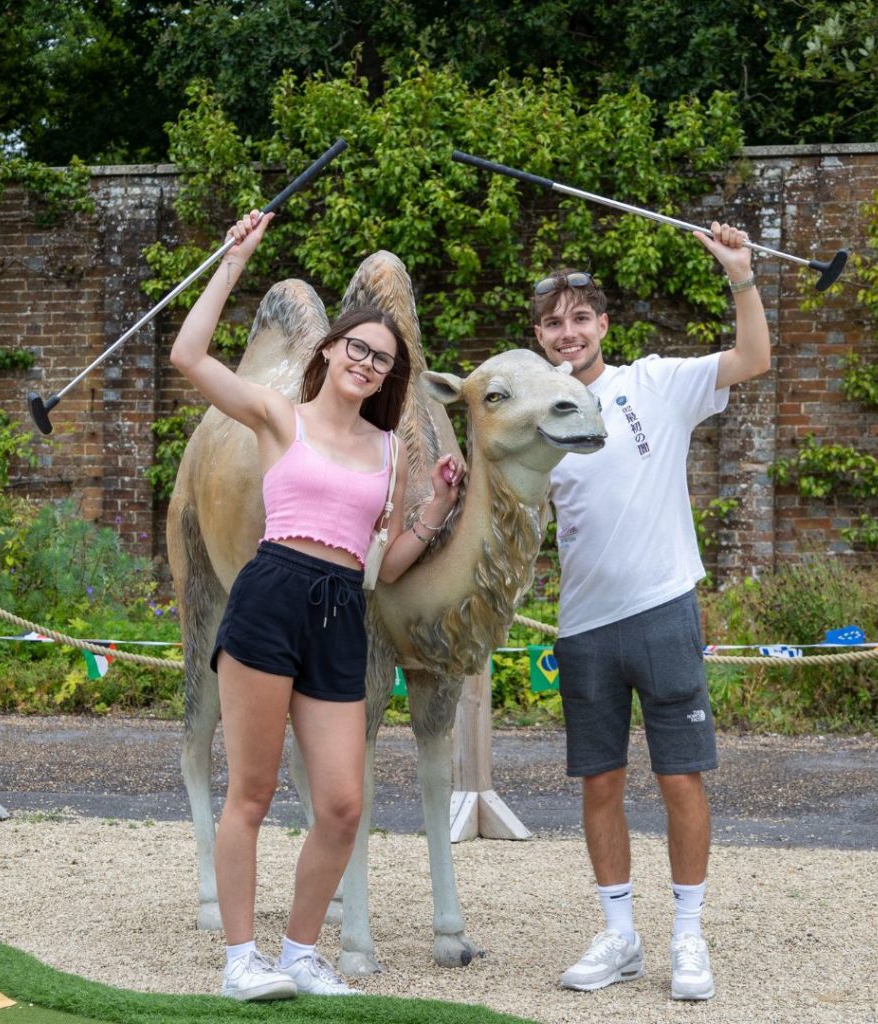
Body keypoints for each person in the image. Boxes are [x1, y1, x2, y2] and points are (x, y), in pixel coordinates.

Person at [170, 209, 463, 1000]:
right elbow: (188, 355)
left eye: (382, 359)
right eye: (358, 349)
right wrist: (233, 262)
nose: (367, 363)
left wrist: (431, 512)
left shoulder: (389, 451)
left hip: (342, 607)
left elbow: (385, 562)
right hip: (270, 597)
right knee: (255, 793)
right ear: (329, 351)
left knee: (340, 802)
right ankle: (241, 960)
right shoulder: (280, 417)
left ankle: (300, 953)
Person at [530, 223, 770, 1001]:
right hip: (582, 626)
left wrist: (739, 275)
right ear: (539, 336)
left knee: (681, 780)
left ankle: (688, 938)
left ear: (604, 325)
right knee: (598, 784)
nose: (567, 332)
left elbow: (753, 359)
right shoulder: (533, 420)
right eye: (552, 322)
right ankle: (619, 935)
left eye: (580, 318)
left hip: (664, 608)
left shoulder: (655, 382)